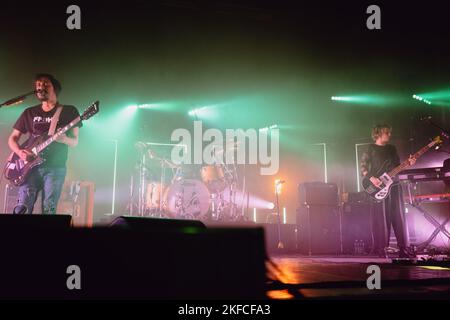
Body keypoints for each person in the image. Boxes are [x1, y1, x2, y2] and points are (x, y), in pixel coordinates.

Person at [7, 73, 82, 214]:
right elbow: (12, 138)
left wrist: (64, 139)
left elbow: (75, 142)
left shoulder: (69, 111)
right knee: (22, 207)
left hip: (55, 167)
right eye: (38, 84)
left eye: (45, 83)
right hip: (28, 167)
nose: (41, 86)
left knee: (48, 209)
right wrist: (20, 153)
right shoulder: (29, 112)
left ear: (55, 88)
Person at [360, 124, 415, 258]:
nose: (389, 135)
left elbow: (398, 166)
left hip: (394, 185)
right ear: (378, 133)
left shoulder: (392, 148)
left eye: (389, 132)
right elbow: (362, 166)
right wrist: (371, 178)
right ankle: (380, 248)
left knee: (399, 217)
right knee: (381, 219)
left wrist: (409, 163)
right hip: (378, 188)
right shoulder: (370, 149)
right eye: (387, 132)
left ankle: (404, 248)